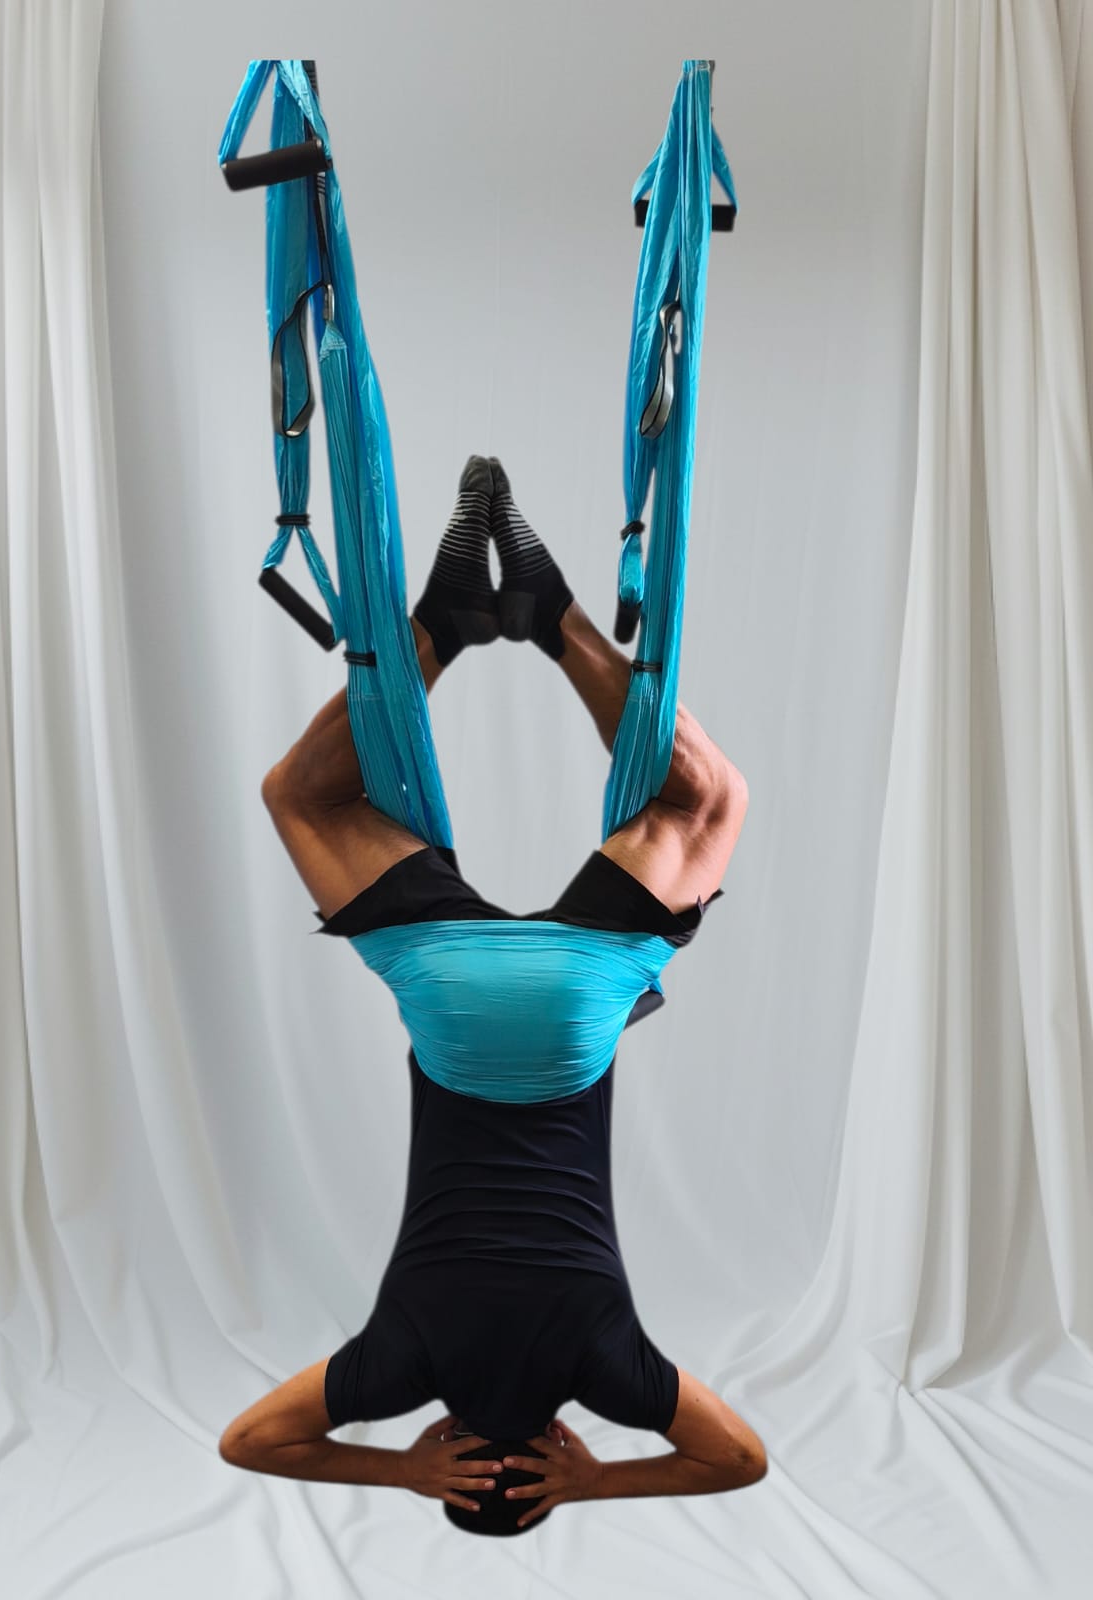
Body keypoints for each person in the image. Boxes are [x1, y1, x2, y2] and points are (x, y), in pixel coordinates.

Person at [218, 458, 764, 1534]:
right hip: (455, 1001)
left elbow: (737, 1459)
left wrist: (599, 1481)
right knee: (305, 797)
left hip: (568, 1016)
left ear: (553, 1447)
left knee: (705, 800)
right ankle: (445, 625)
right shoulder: (398, 1361)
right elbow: (251, 1440)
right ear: (453, 1446)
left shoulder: (608, 1366)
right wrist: (399, 1472)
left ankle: (556, 620)